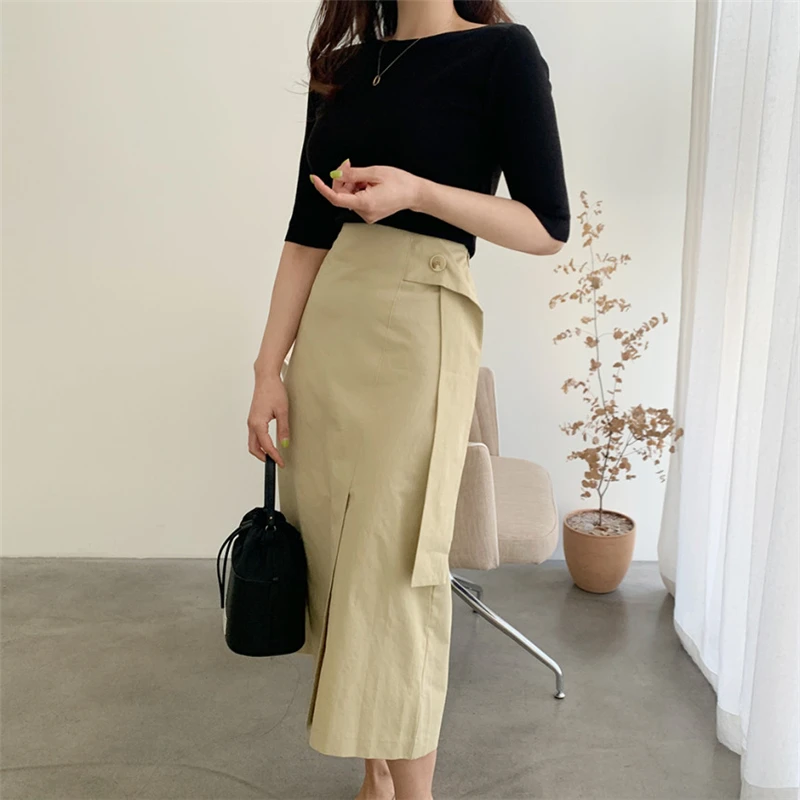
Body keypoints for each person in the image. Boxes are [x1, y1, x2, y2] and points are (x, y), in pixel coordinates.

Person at [247, 1, 570, 797]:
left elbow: (545, 225)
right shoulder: (345, 68)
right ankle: (376, 771)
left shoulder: (502, 53)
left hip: (420, 318)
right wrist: (267, 369)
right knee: (334, 546)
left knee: (396, 557)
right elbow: (305, 232)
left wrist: (419, 191)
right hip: (333, 323)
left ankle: (413, 789)